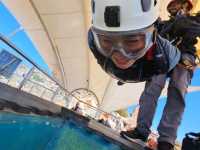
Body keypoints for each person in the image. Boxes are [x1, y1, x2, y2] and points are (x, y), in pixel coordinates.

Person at [120, 0, 200, 149]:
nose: (174, 7)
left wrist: (183, 21)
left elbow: (193, 27)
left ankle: (166, 141)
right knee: (152, 88)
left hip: (185, 56)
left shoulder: (193, 20)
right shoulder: (162, 24)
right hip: (163, 56)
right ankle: (141, 130)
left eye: (178, 4)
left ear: (186, 6)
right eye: (173, 5)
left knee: (177, 92)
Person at [88, 0, 181, 84]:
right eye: (107, 41)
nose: (119, 55)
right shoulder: (93, 42)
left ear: (153, 35)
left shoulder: (166, 58)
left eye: (132, 41)